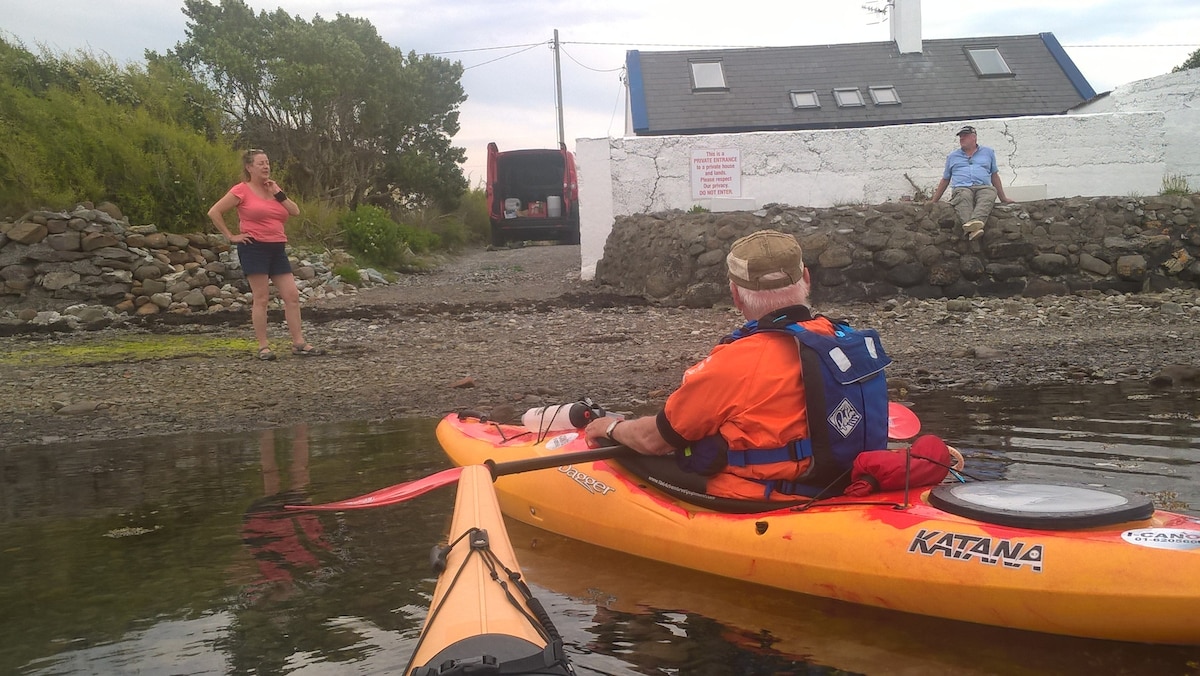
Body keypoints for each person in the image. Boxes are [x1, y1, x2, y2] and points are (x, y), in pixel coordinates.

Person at [583, 230, 891, 500]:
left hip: (774, 496)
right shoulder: (844, 338)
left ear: (736, 295)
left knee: (633, 453)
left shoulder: (734, 362)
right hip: (846, 481)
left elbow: (655, 440)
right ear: (807, 279)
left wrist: (611, 428)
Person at [208, 149, 324, 360]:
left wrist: (278, 192)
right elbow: (214, 212)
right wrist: (231, 236)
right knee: (261, 298)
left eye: (267, 162)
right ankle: (263, 347)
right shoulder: (241, 190)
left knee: (292, 296)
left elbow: (295, 211)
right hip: (254, 247)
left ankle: (298, 342)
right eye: (260, 163)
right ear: (249, 167)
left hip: (277, 248)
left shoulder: (273, 190)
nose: (265, 166)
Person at [927, 125, 1014, 240]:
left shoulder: (988, 152)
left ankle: (971, 227)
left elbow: (994, 175)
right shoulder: (952, 156)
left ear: (974, 138)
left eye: (965, 136)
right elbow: (945, 179)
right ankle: (975, 228)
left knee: (990, 193)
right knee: (963, 196)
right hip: (962, 187)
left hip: (983, 186)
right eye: (960, 137)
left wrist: (1003, 198)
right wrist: (934, 200)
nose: (961, 139)